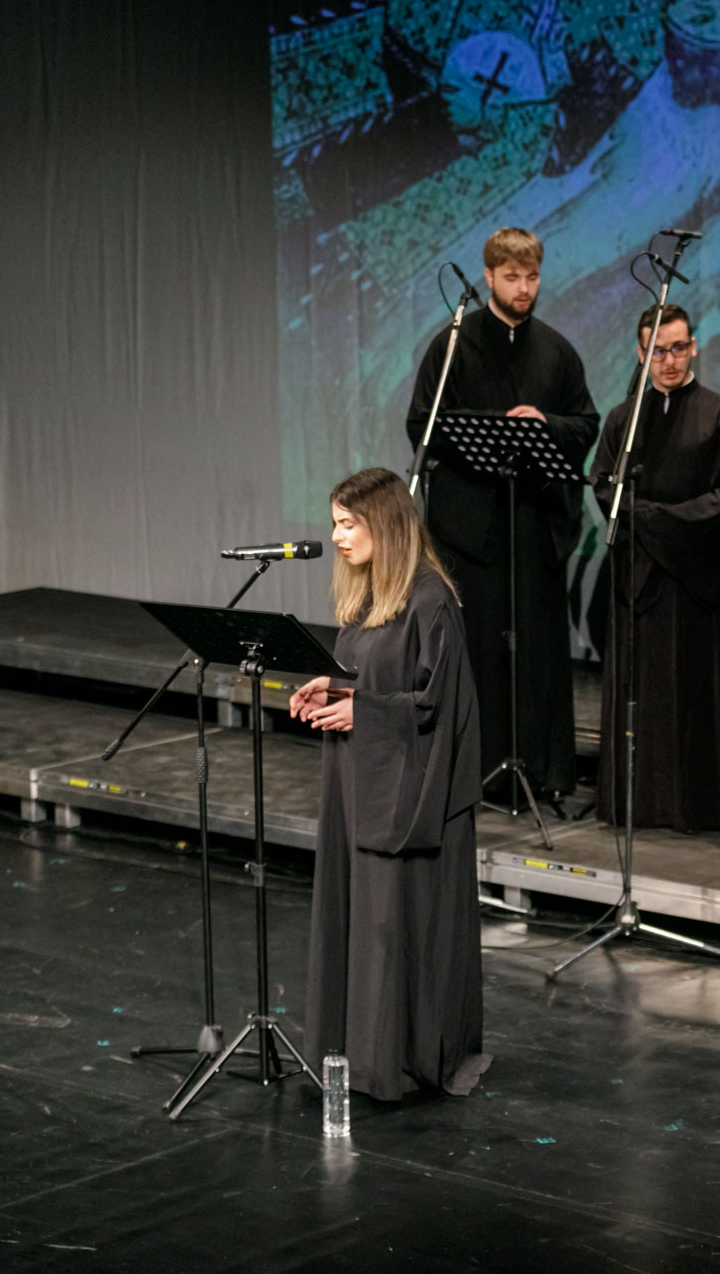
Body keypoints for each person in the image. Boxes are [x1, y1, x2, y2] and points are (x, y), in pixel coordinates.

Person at [291, 467, 488, 1100]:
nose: (338, 537)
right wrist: (335, 688)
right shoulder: (370, 598)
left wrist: (365, 709)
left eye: (349, 524)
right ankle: (354, 1055)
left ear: (386, 524)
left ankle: (397, 1062)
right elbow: (377, 680)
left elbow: (437, 704)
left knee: (394, 926)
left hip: (411, 790)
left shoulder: (430, 598)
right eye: (335, 523)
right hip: (363, 781)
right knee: (361, 919)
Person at [404, 227, 598, 806]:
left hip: (533, 525)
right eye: (512, 277)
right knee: (476, 652)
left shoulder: (558, 351)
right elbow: (422, 424)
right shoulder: (453, 344)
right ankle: (472, 770)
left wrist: (544, 424)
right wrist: (485, 438)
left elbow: (585, 424)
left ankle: (541, 769)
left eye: (532, 276)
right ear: (487, 277)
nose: (523, 288)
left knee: (536, 655)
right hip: (472, 534)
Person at [590, 304, 720, 831]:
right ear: (641, 354)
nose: (669, 360)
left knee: (692, 702)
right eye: (658, 351)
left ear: (695, 347)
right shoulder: (623, 418)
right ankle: (633, 804)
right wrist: (650, 525)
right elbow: (606, 487)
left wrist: (661, 524)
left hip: (695, 583)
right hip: (637, 582)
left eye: (679, 348)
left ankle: (695, 808)